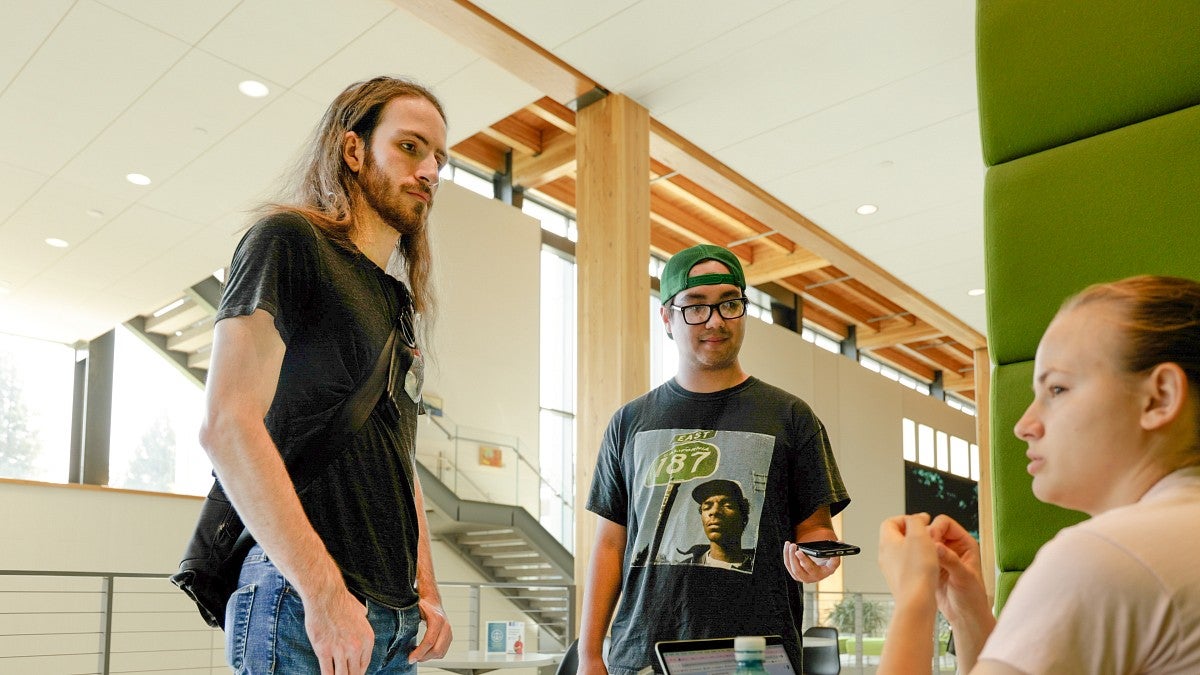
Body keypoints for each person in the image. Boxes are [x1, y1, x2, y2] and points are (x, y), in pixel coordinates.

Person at [197, 76, 453, 675]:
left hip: (392, 619)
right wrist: (325, 594)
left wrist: (427, 589)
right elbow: (227, 425)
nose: (431, 171)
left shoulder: (394, 300)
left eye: (440, 158)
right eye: (411, 147)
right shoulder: (289, 241)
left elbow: (398, 461)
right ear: (353, 150)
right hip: (301, 603)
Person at [877, 275, 1200, 674]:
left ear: (1160, 397)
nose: (1025, 425)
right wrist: (968, 613)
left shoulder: (1106, 555)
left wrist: (913, 597)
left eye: (1058, 390)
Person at [580, 244, 852, 674]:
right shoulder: (630, 422)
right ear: (667, 318)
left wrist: (820, 559)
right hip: (643, 655)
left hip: (757, 656)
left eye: (730, 303)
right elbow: (610, 544)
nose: (715, 320)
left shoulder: (791, 417)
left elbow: (815, 528)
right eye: (695, 306)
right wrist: (590, 654)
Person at [676, 478, 755, 571]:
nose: (714, 511)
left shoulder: (767, 571)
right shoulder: (683, 570)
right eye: (707, 507)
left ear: (744, 519)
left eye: (727, 505)